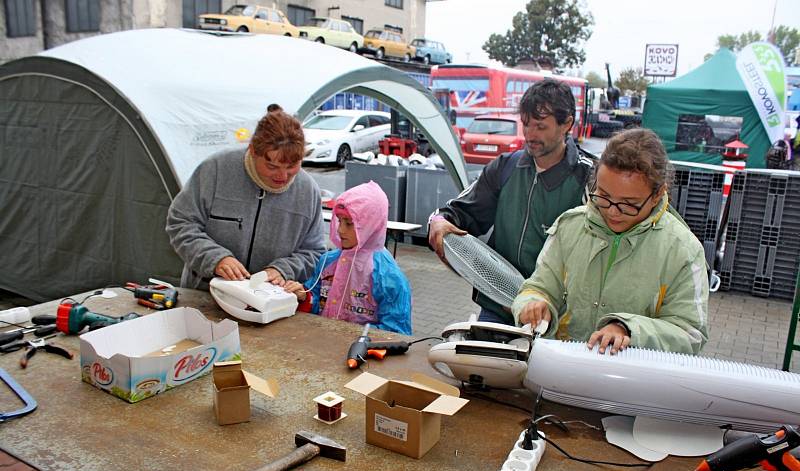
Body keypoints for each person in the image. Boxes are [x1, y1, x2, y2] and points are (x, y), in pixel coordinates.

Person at [512, 128, 709, 355]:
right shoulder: (570, 227)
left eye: (628, 203)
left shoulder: (683, 250)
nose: (613, 212)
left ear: (658, 194)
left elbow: (691, 333)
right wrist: (533, 305)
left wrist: (629, 329)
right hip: (562, 368)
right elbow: (538, 287)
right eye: (604, 196)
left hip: (636, 381)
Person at [428, 79, 596, 325]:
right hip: (499, 305)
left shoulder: (589, 179)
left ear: (567, 124)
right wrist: (439, 222)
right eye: (526, 125)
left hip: (555, 317)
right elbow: (461, 212)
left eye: (540, 126)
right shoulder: (505, 166)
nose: (530, 135)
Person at [166, 105, 325, 289]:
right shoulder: (215, 170)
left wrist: (283, 270)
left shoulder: (308, 192)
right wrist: (215, 258)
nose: (282, 176)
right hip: (204, 296)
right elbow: (181, 223)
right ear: (253, 150)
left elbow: (313, 251)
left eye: (291, 167)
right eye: (272, 166)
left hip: (269, 306)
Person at [284, 181, 412, 335]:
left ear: (370, 225)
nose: (340, 230)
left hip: (361, 355)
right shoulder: (328, 261)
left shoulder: (388, 277)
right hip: (322, 345)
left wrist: (347, 333)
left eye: (350, 224)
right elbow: (318, 302)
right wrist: (304, 296)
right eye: (339, 220)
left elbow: (396, 333)